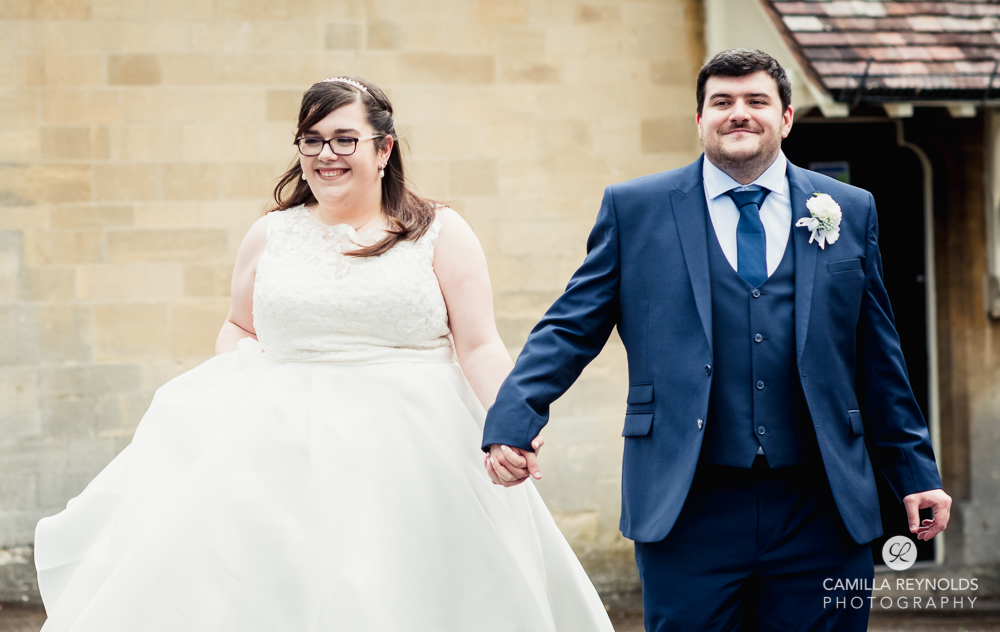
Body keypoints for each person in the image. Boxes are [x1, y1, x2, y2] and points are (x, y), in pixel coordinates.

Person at [34, 76, 615, 632]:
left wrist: (513, 420)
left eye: (344, 139)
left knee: (410, 590)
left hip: (416, 450)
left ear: (384, 147)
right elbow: (238, 328)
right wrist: (238, 394)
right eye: (311, 140)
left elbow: (480, 344)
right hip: (283, 453)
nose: (325, 154)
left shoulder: (439, 230)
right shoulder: (270, 233)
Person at [482, 49, 952, 631]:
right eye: (721, 102)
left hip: (822, 500)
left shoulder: (849, 210)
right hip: (688, 501)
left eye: (757, 101)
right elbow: (570, 326)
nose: (739, 114)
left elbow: (878, 355)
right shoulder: (636, 209)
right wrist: (513, 419)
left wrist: (915, 473)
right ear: (699, 119)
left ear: (785, 118)